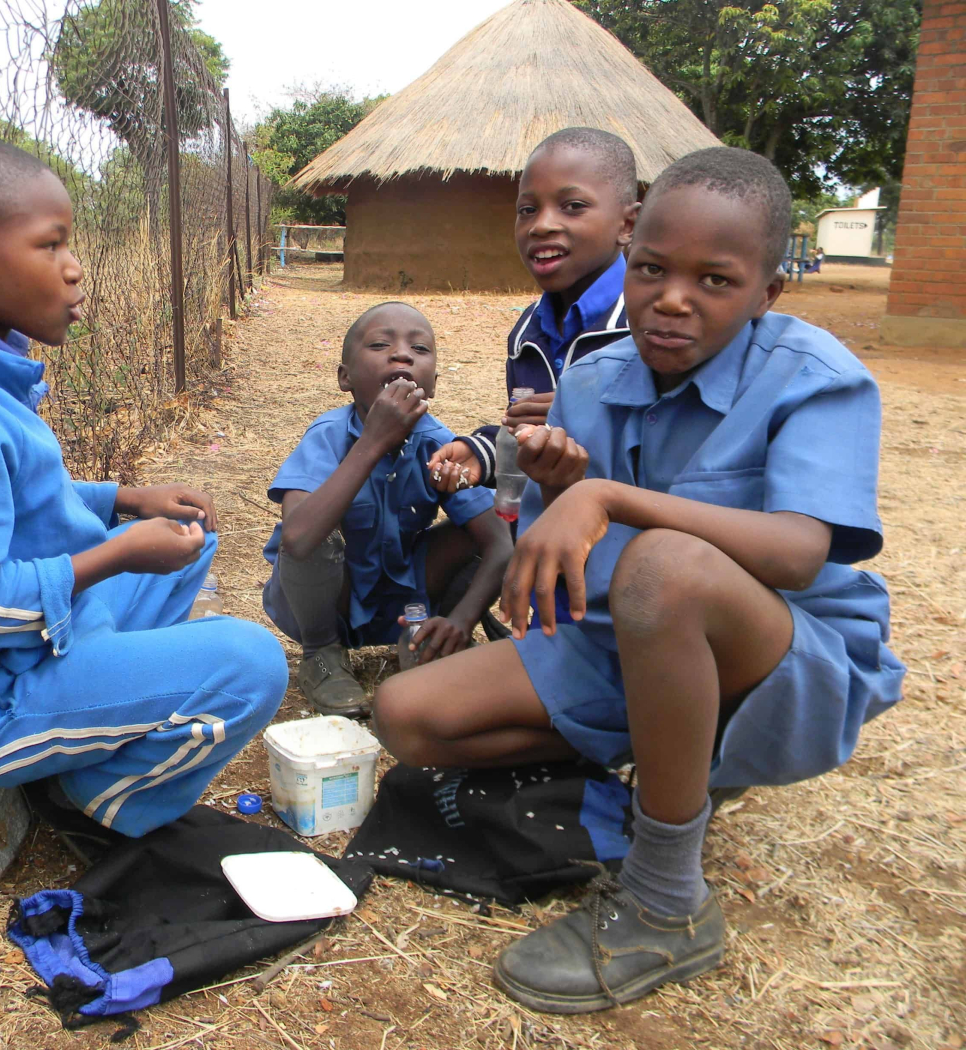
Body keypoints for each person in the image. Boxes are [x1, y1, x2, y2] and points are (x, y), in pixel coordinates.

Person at [370, 147, 904, 1012]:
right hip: (625, 637)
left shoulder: (818, 380)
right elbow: (564, 564)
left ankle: (667, 899)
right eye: (652, 269)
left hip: (783, 660)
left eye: (716, 281)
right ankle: (667, 767)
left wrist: (608, 496)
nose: (673, 299)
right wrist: (553, 488)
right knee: (408, 714)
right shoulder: (594, 377)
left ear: (769, 293)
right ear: (630, 254)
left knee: (663, 564)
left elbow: (802, 552)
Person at [0, 138, 287, 838]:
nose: (75, 269)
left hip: (35, 646)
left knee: (188, 539)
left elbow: (20, 502)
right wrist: (115, 555)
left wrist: (125, 502)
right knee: (251, 664)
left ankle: (98, 700)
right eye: (51, 245)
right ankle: (102, 793)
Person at [261, 302, 510, 716]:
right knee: (313, 535)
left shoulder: (440, 444)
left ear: (432, 384)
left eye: (420, 349)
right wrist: (373, 441)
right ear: (345, 377)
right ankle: (322, 655)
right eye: (380, 344)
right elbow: (299, 537)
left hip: (405, 599)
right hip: (327, 601)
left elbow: (501, 544)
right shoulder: (328, 437)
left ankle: (431, 637)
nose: (402, 355)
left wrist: (462, 619)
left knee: (500, 525)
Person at [428, 128, 641, 493]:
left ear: (627, 225)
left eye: (573, 206)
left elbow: (673, 455)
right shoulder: (528, 332)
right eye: (527, 210)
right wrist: (485, 453)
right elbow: (528, 440)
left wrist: (582, 419)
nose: (541, 225)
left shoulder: (647, 326)